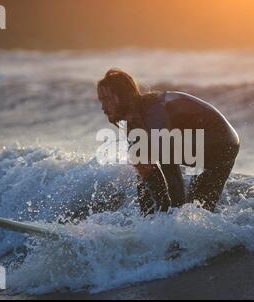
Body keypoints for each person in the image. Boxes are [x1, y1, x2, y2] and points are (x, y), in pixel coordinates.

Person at [97, 68, 239, 215]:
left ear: (123, 96)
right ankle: (151, 220)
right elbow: (146, 175)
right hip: (219, 145)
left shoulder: (154, 112)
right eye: (101, 101)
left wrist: (173, 217)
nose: (102, 107)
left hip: (221, 141)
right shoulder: (135, 120)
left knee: (147, 156)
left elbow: (171, 171)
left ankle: (167, 219)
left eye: (107, 100)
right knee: (198, 212)